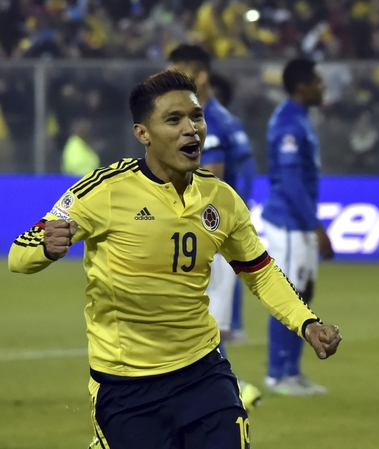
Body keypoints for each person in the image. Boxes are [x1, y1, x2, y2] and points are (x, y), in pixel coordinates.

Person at [8, 70, 342, 449]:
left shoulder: (222, 199)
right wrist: (47, 248)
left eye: (196, 117)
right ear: (142, 134)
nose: (191, 129)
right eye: (173, 120)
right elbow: (19, 255)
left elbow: (260, 272)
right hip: (126, 384)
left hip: (202, 372)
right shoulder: (104, 191)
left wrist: (306, 323)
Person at [167, 44, 260, 407]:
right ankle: (218, 391)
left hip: (207, 232)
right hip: (215, 230)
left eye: (179, 72)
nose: (170, 79)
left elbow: (210, 177)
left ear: (200, 77)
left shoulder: (210, 123)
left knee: (207, 324)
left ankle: (220, 393)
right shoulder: (221, 118)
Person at [262, 58, 335, 396]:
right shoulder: (288, 123)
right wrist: (314, 225)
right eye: (318, 81)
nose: (322, 86)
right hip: (289, 223)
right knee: (288, 296)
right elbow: (290, 182)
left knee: (303, 296)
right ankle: (277, 374)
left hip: (298, 223)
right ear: (302, 85)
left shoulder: (300, 119)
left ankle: (291, 370)